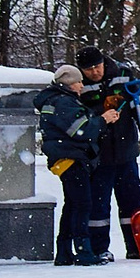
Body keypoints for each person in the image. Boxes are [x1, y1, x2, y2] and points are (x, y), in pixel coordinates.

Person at [74, 46, 140, 260]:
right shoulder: (79, 85)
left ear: (103, 61)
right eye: (89, 69)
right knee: (98, 205)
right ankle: (99, 248)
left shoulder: (123, 75)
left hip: (125, 151)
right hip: (98, 155)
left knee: (133, 203)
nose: (95, 72)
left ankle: (137, 245)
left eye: (97, 66)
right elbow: (77, 115)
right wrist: (99, 110)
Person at [38, 64, 105, 266]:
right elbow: (80, 130)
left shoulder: (55, 101)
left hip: (65, 158)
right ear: (69, 84)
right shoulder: (64, 103)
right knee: (82, 204)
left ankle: (65, 251)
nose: (82, 85)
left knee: (72, 204)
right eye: (78, 81)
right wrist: (103, 120)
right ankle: (83, 251)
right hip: (71, 159)